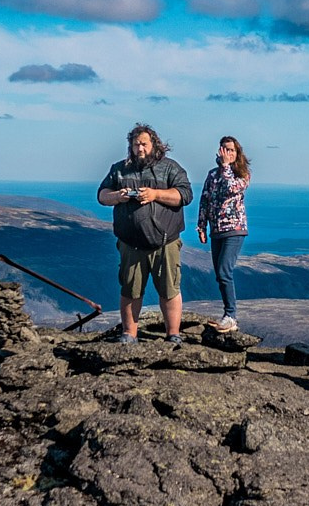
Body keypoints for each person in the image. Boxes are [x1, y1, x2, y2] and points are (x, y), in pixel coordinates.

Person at [96, 124, 193, 344]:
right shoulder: (119, 169)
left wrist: (155, 194)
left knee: (169, 289)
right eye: (135, 144)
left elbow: (185, 195)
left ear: (154, 145)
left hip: (165, 242)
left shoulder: (170, 168)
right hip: (131, 243)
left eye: (144, 144)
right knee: (130, 289)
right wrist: (117, 196)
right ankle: (129, 334)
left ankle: (173, 334)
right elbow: (102, 195)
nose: (140, 149)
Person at [196, 135, 251, 330]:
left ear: (237, 153)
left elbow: (231, 189)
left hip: (234, 230)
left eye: (231, 150)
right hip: (216, 230)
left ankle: (230, 316)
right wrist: (201, 226)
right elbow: (205, 200)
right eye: (224, 149)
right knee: (219, 275)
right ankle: (227, 314)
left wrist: (226, 166)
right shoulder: (212, 175)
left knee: (224, 271)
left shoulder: (242, 175)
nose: (227, 153)